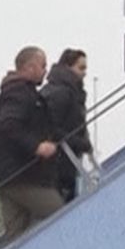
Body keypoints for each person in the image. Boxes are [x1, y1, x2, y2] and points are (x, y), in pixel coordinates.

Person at [0, 46, 63, 242]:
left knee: (17, 235)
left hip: (8, 175)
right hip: (21, 175)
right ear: (29, 67)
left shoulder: (16, 92)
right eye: (42, 66)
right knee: (60, 214)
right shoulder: (19, 93)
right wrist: (37, 145)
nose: (45, 71)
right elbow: (8, 124)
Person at [41, 48, 95, 202]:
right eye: (81, 68)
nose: (84, 73)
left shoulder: (63, 92)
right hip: (60, 163)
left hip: (66, 161)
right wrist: (81, 143)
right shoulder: (62, 94)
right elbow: (51, 128)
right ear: (68, 67)